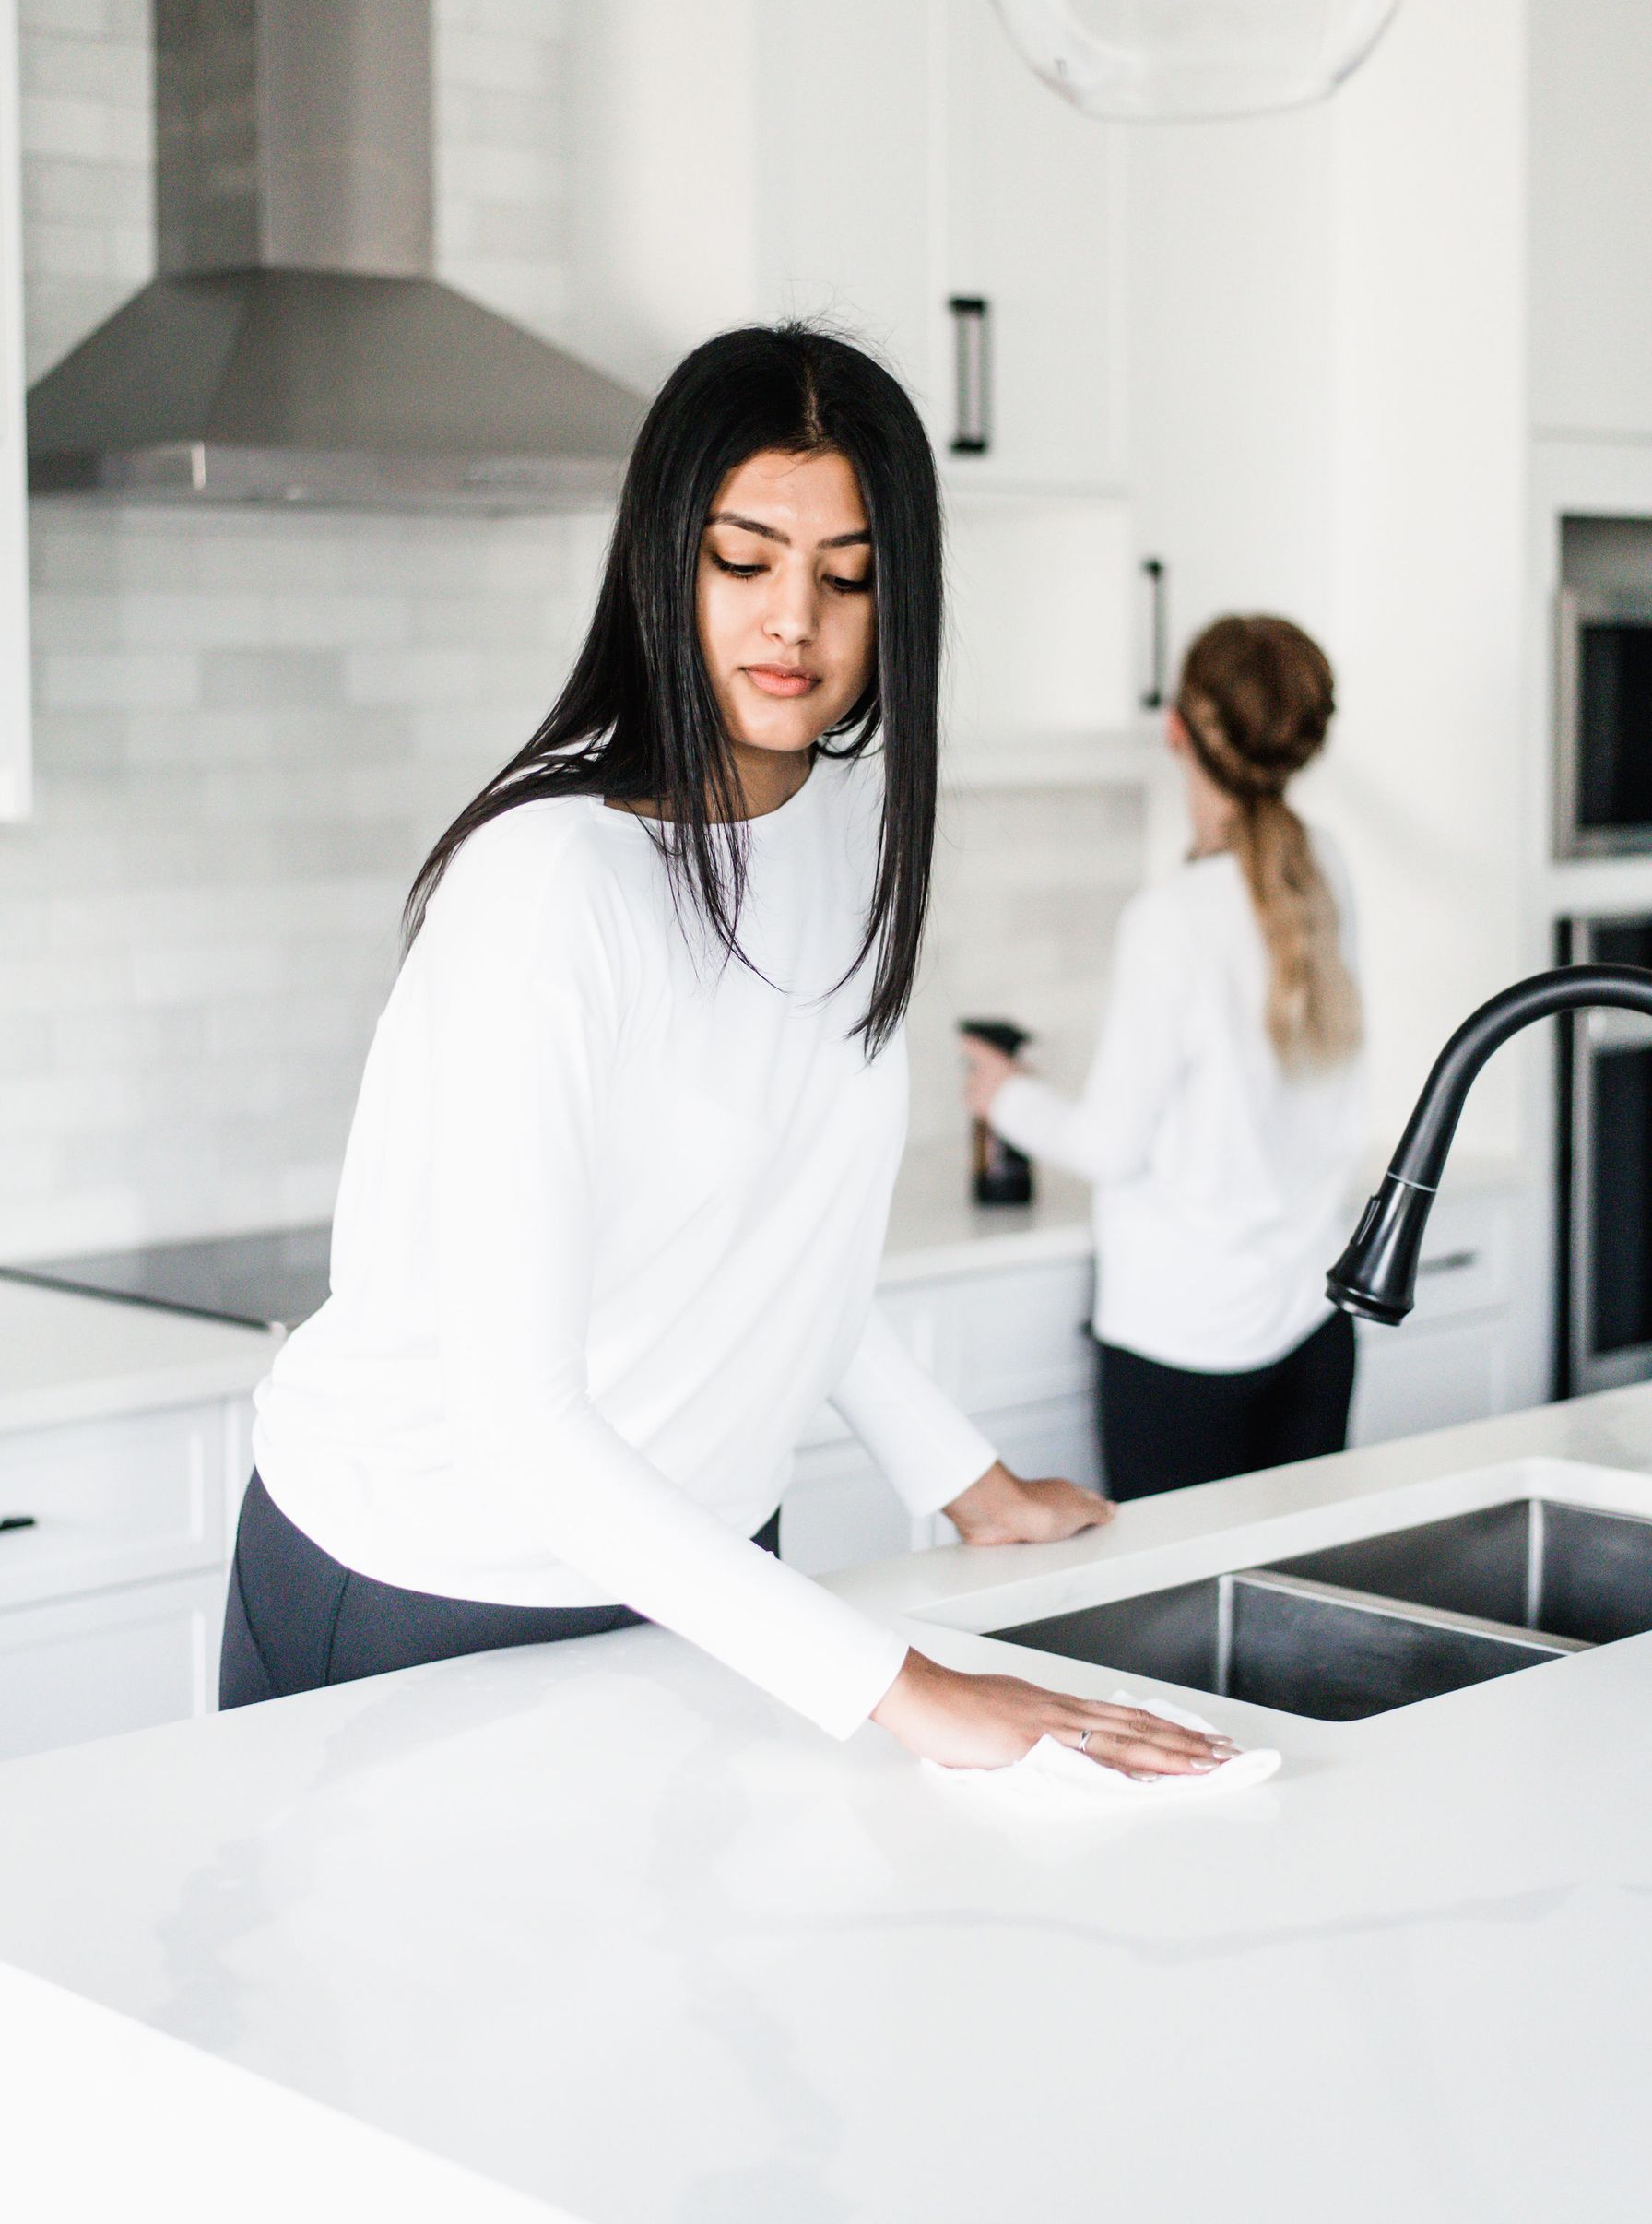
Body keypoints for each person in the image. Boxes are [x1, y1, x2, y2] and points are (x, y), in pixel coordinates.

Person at [221, 325, 1233, 1780]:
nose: (795, 624)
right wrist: (900, 1685)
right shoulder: (556, 883)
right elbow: (521, 1421)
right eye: (744, 561)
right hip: (430, 1579)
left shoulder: (840, 824)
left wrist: (963, 1482)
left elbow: (787, 1246)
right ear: (664, 564)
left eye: (848, 575)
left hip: (693, 1566)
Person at [962, 615, 1366, 1503]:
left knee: (1176, 1626)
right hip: (1312, 1328)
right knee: (1303, 1615)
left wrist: (1006, 1095)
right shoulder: (1323, 868)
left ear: (1177, 726)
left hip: (1186, 1349)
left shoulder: (1173, 918)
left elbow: (1111, 1145)